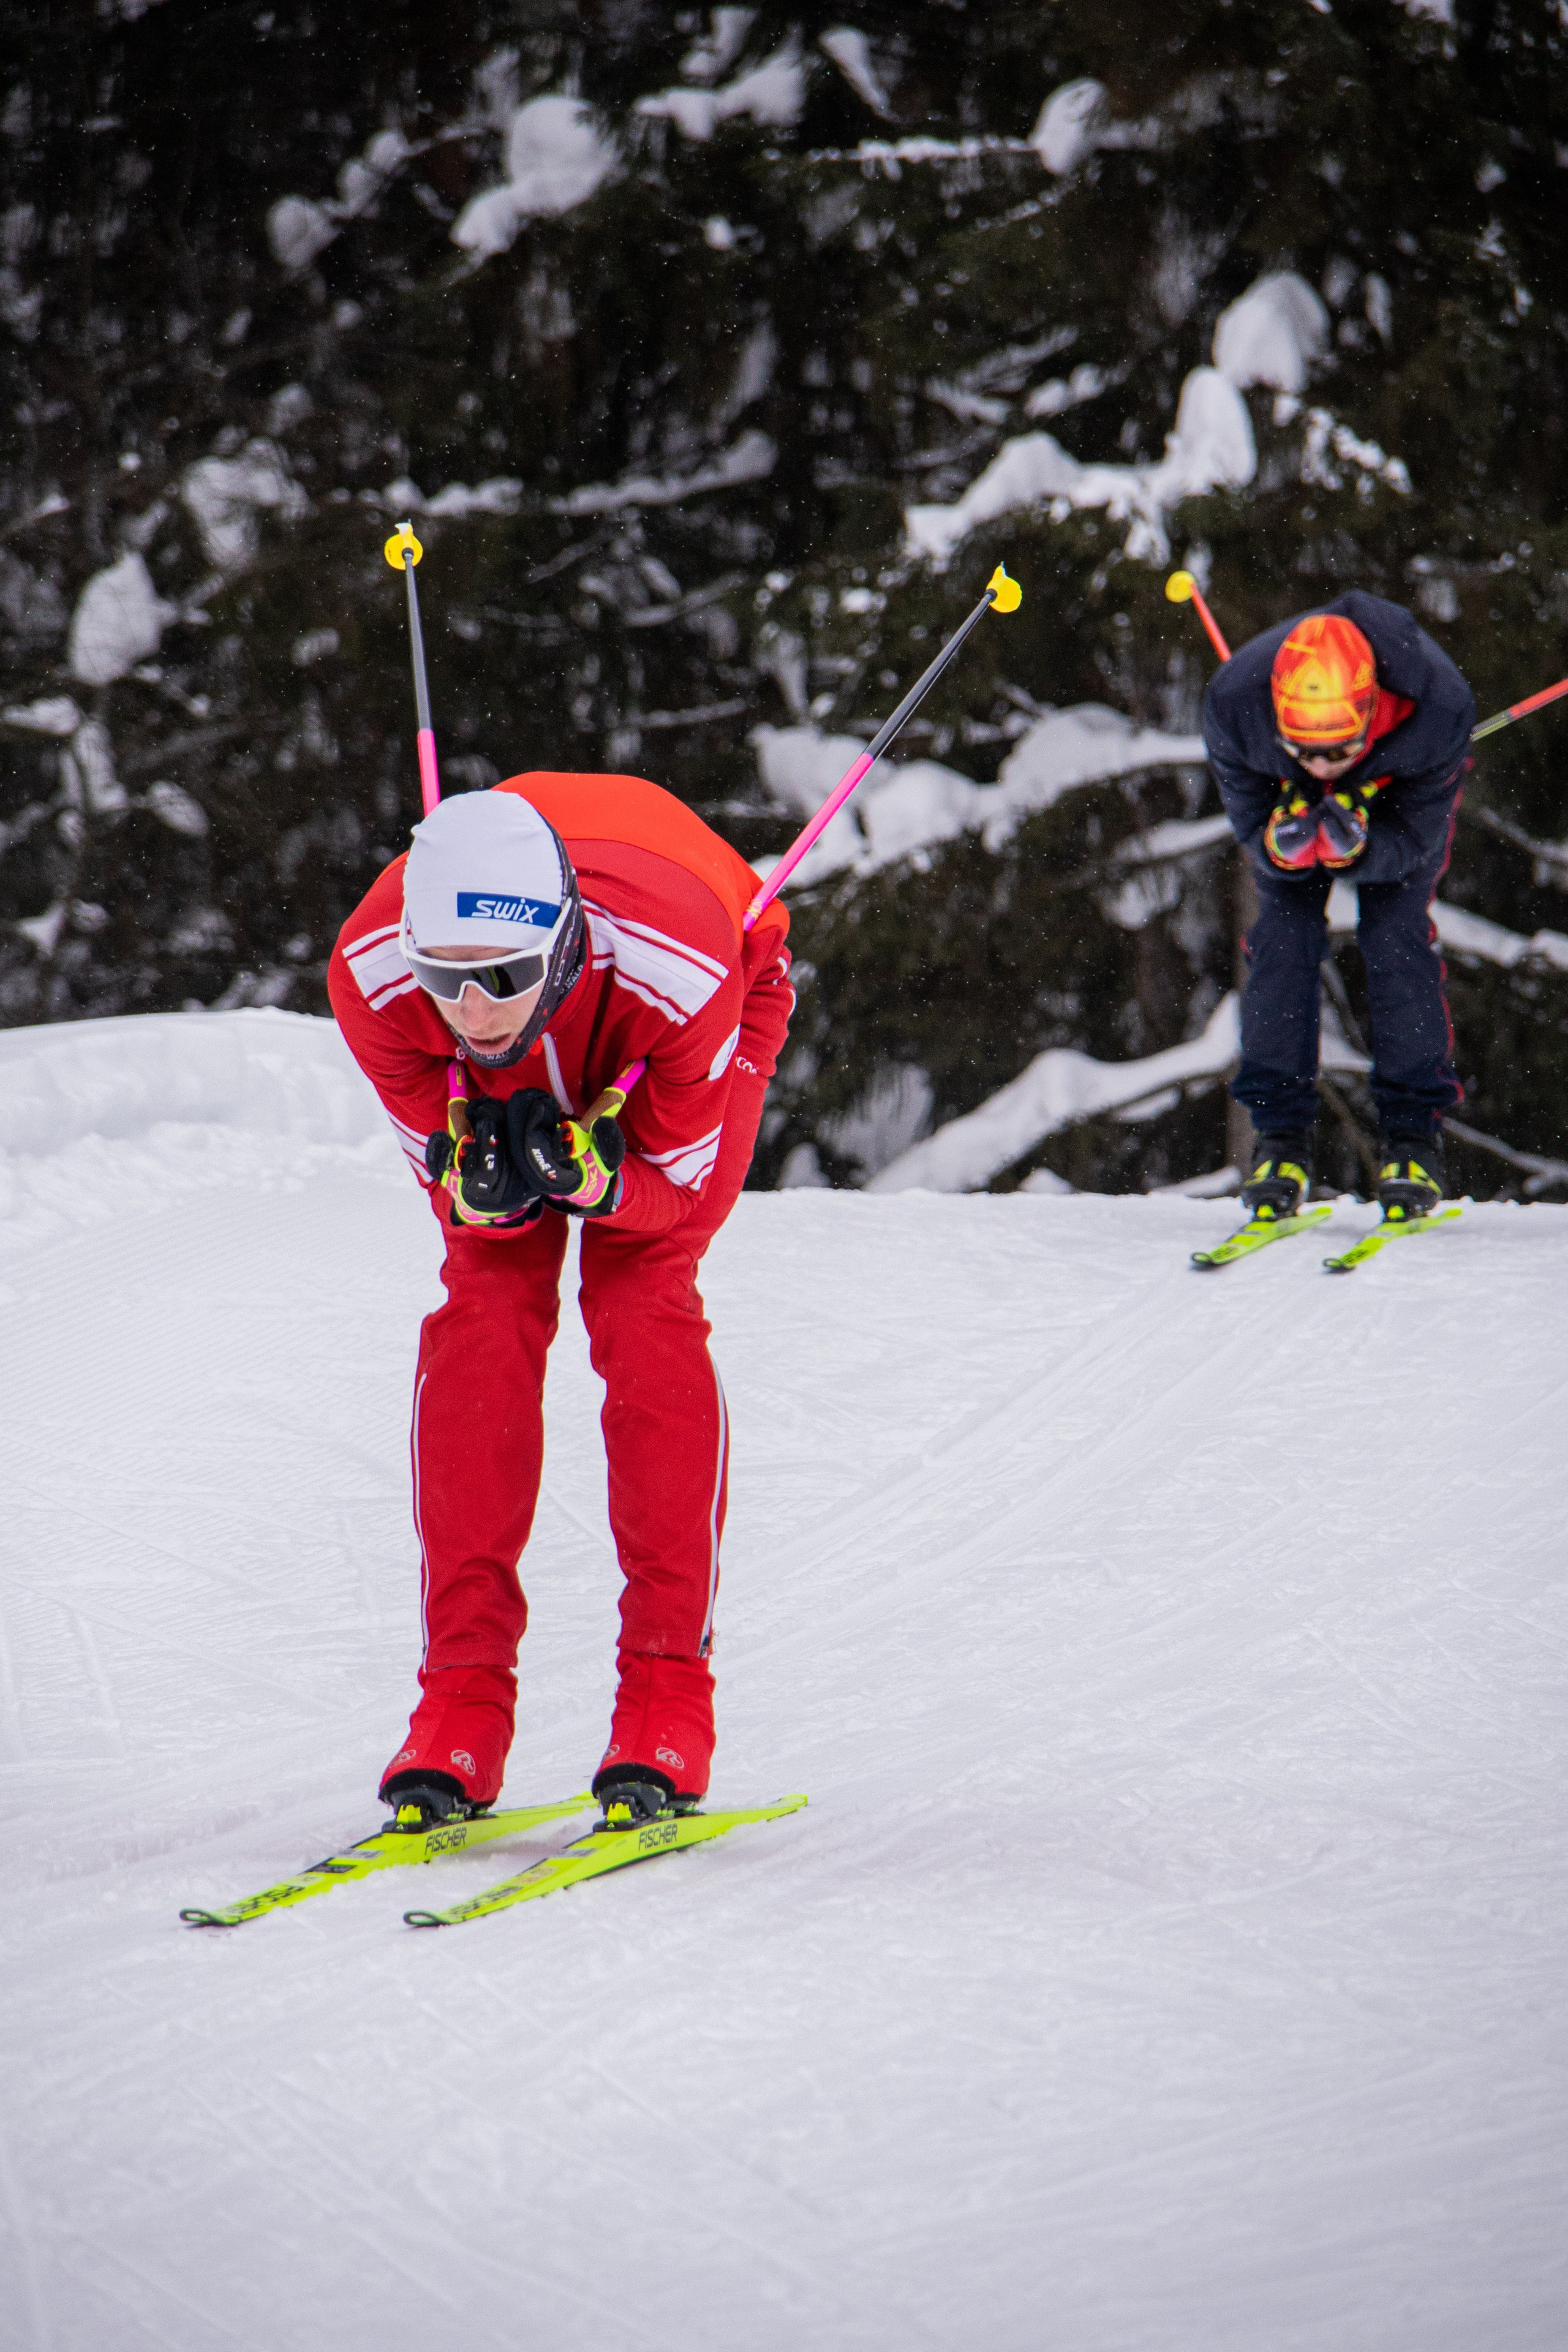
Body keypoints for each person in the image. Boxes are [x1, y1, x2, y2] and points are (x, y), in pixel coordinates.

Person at [328, 773, 793, 1827]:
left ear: (563, 938)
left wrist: (605, 1184)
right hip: (578, 987)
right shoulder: (376, 981)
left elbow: (669, 1206)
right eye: (445, 977)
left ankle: (668, 1696)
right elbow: (461, 1201)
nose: (474, 1009)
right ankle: (460, 1704)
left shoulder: (683, 975)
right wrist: (482, 1197)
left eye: (501, 975)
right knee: (484, 1305)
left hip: (677, 1000)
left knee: (643, 1298)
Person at [1203, 592, 1474, 1219]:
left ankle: (1412, 1139)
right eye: (1305, 751)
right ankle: (1279, 1139)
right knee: (1282, 936)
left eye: (1337, 751)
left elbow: (1413, 843)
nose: (1322, 766)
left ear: (1371, 707)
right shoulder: (1232, 705)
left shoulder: (1438, 708)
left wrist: (1359, 848)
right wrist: (1280, 843)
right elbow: (1251, 828)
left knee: (1395, 935)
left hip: (1394, 807)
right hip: (1287, 805)